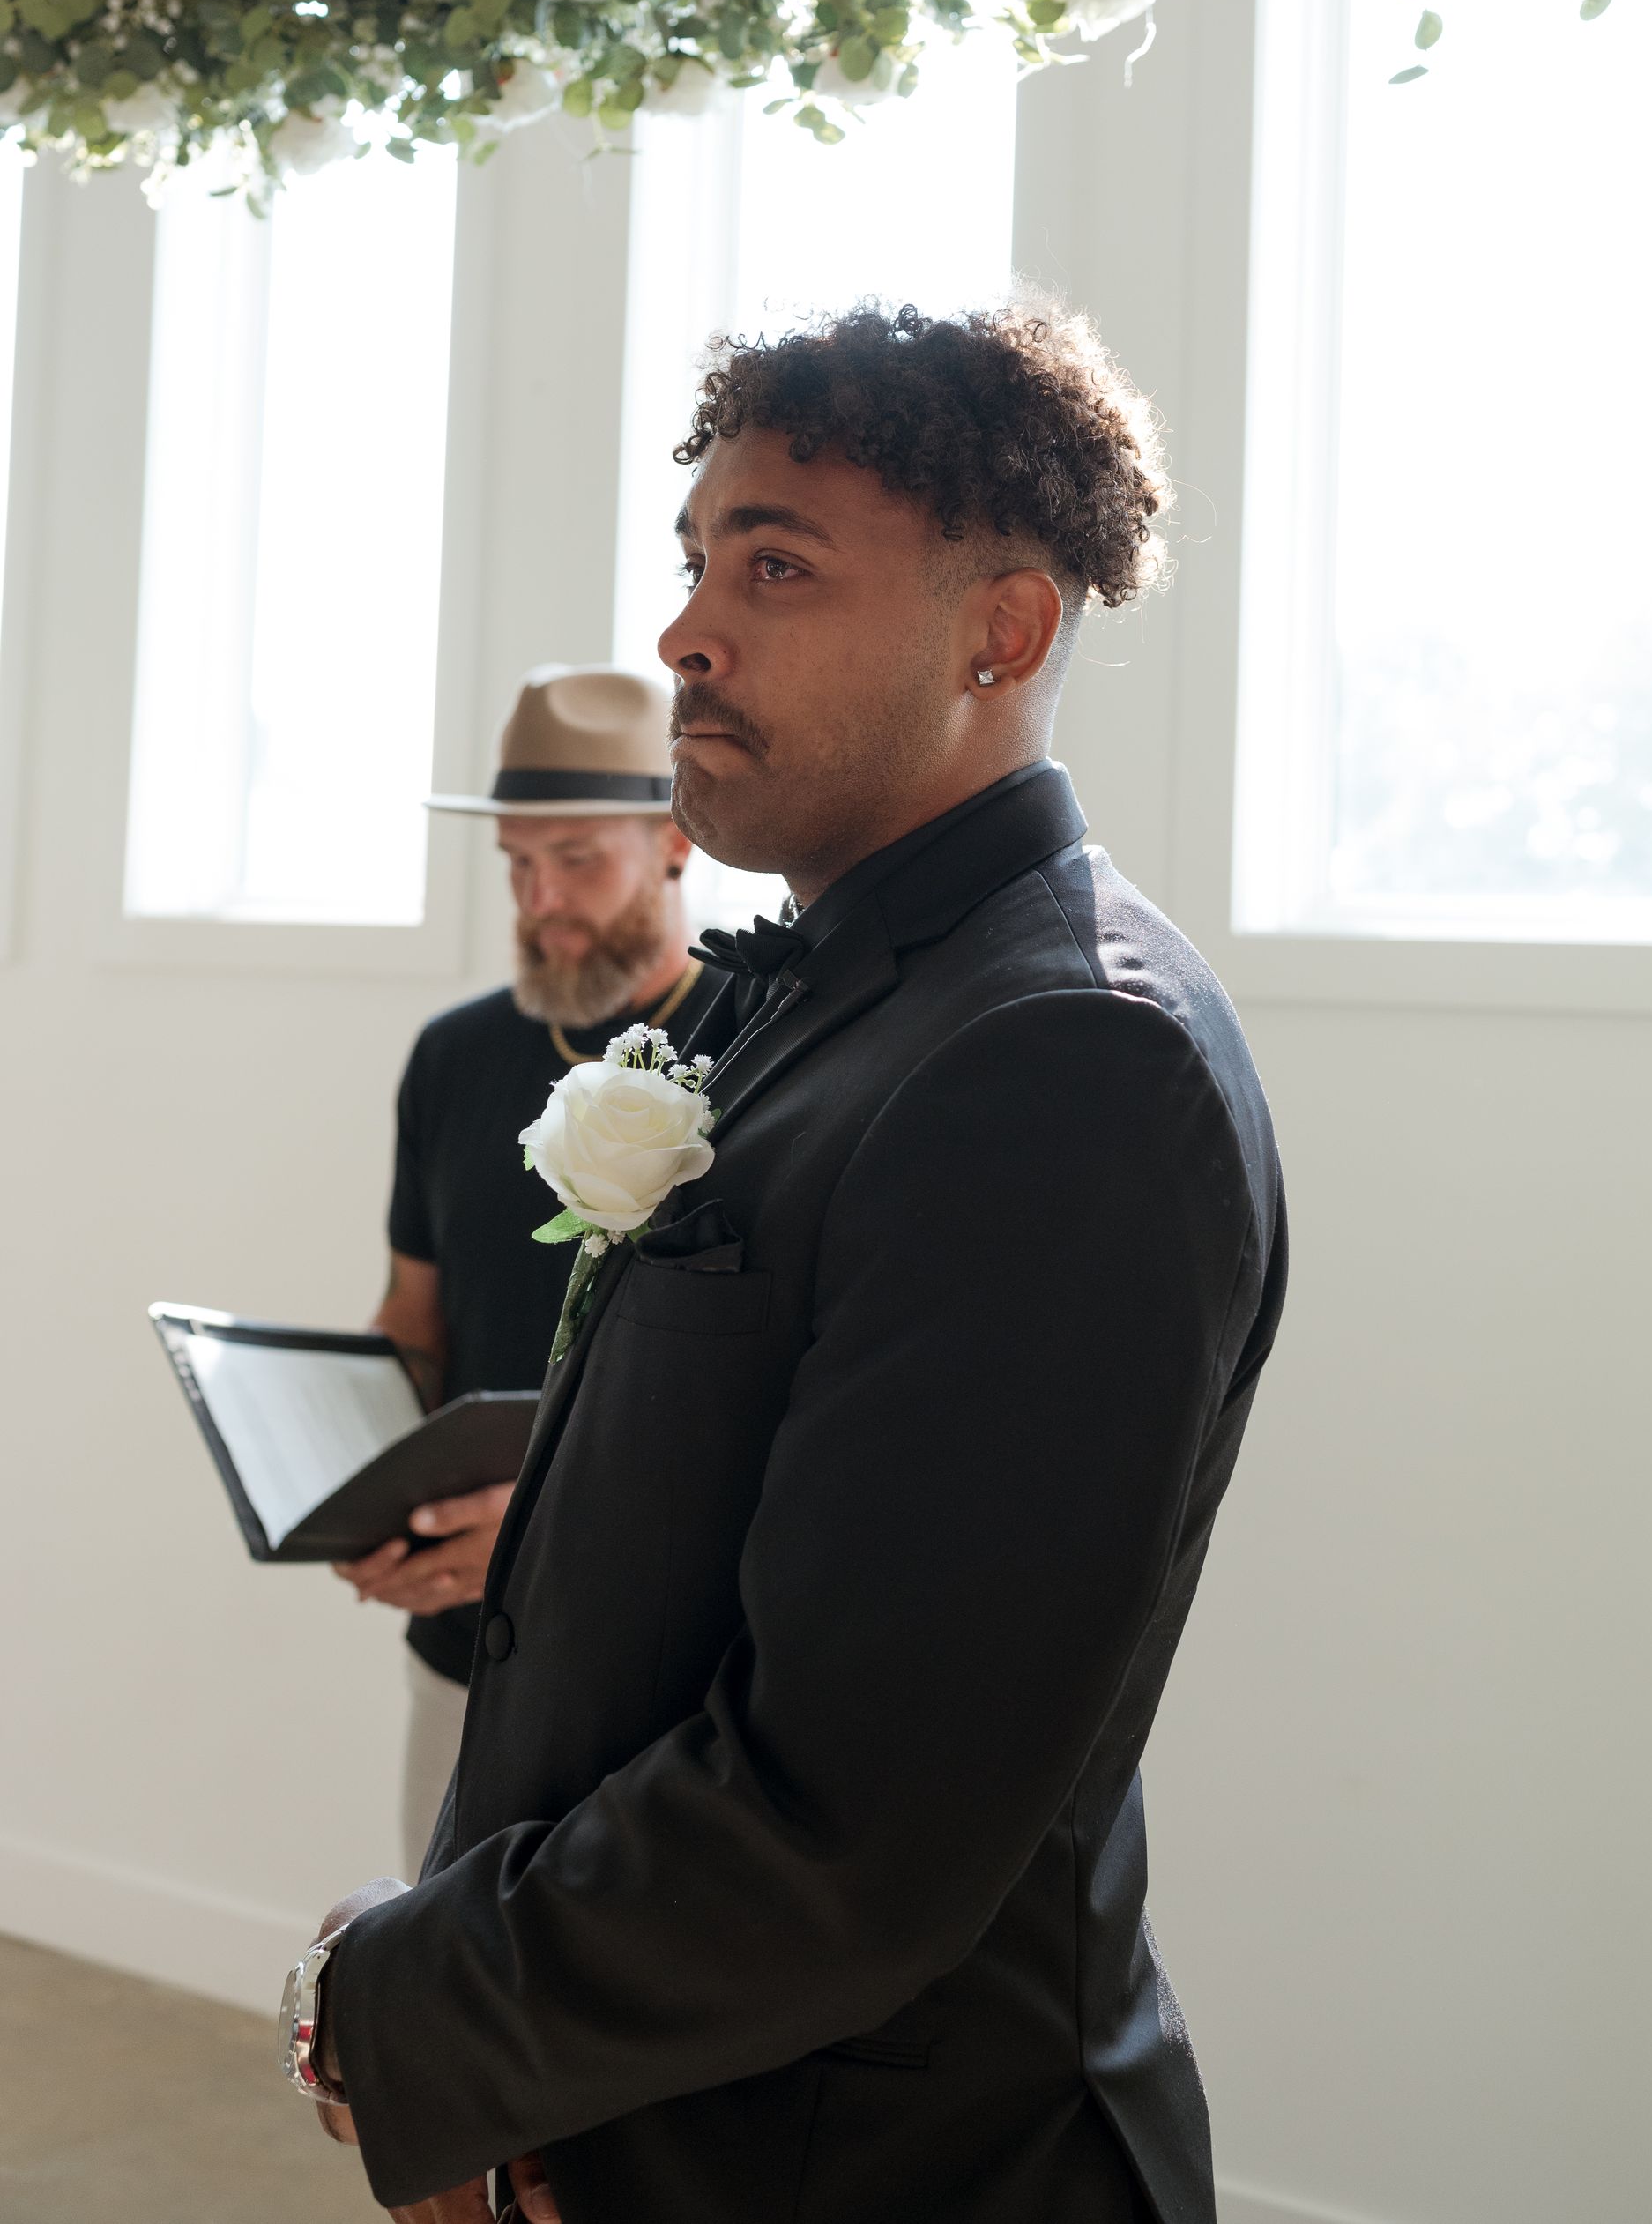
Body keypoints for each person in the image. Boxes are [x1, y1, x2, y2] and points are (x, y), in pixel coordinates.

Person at [290, 304, 1289, 2224]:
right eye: (694, 562)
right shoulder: (829, 1001)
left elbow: (850, 1825)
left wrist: (406, 2007)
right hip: (658, 2119)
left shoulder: (1068, 1059)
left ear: (1001, 633)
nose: (684, 631)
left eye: (775, 565)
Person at [331, 665, 722, 1878]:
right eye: (515, 865)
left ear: (673, 840)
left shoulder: (761, 1041)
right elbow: (415, 1317)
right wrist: (355, 1475)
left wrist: (556, 1527)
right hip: (459, 1652)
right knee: (427, 2022)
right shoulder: (450, 1057)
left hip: (667, 1675)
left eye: (576, 861)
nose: (541, 901)